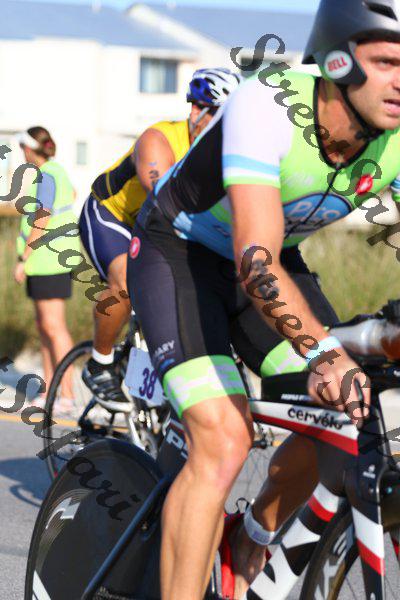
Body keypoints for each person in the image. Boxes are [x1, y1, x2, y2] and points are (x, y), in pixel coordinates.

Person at [127, 0, 400, 597]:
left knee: (350, 416)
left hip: (274, 261)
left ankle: (251, 537)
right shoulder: (268, 103)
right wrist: (324, 353)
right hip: (182, 256)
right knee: (225, 439)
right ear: (337, 59)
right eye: (387, 62)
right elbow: (256, 263)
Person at [79, 68, 241, 413]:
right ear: (195, 109)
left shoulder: (228, 151)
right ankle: (99, 363)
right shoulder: (160, 139)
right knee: (125, 282)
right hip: (112, 215)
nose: (227, 125)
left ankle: (155, 379)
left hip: (157, 226)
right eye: (218, 114)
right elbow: (165, 200)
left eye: (231, 116)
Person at [15, 127, 80, 411]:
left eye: (22, 148)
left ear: (30, 149)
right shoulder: (53, 172)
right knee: (45, 328)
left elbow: (42, 218)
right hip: (46, 262)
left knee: (54, 327)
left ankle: (67, 395)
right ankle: (49, 390)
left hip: (50, 260)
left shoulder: (47, 174)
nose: (21, 153)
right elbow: (72, 194)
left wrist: (23, 258)